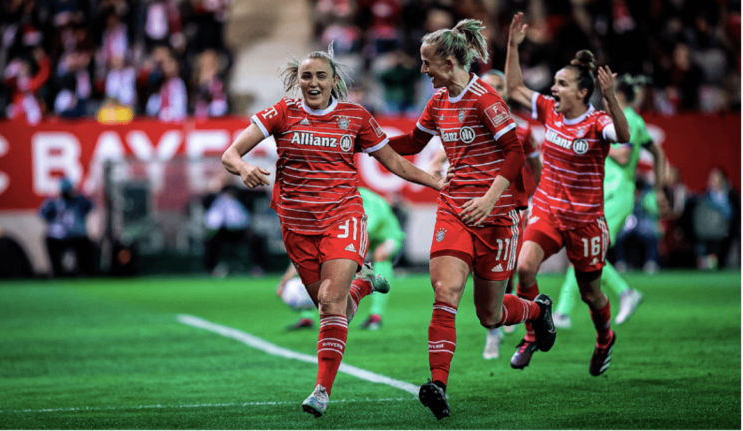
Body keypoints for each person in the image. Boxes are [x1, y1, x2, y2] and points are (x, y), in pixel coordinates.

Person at [221, 43, 444, 418]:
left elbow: (395, 163)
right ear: (297, 80)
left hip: (343, 217)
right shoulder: (281, 113)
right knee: (335, 306)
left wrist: (439, 184)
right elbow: (230, 154)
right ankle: (366, 283)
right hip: (296, 226)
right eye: (306, 76)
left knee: (328, 300)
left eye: (321, 75)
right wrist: (243, 169)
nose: (313, 82)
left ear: (333, 81)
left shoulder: (355, 117)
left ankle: (322, 390)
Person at [387, 19, 556, 420]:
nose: (423, 71)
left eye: (428, 63)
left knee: (490, 315)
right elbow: (413, 142)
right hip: (455, 207)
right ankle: (438, 385)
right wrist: (366, 140)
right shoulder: (439, 100)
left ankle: (536, 311)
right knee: (445, 292)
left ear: (448, 62)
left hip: (497, 215)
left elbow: (514, 153)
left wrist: (490, 197)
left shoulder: (485, 99)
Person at [504, 12, 631, 376]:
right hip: (548, 209)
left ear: (582, 92)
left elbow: (621, 137)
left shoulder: (597, 123)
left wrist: (611, 99)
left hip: (586, 222)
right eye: (554, 83)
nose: (553, 89)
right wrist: (513, 47)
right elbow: (514, 88)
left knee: (591, 295)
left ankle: (605, 338)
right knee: (525, 267)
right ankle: (532, 334)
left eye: (561, 84)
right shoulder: (549, 110)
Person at [427, 69, 542, 361]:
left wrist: (540, 199)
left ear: (505, 92)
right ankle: (494, 333)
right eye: (489, 86)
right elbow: (436, 160)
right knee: (466, 284)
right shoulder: (470, 119)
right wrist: (440, 173)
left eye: (499, 86)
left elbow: (535, 168)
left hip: (508, 212)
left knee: (508, 276)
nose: (494, 91)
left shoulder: (522, 129)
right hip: (471, 210)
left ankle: (525, 324)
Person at [552, 74, 667, 328]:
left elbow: (624, 155)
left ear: (617, 96)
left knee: (588, 254)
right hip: (606, 195)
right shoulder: (628, 120)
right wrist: (658, 188)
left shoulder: (627, 120)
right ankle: (565, 311)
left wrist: (592, 142)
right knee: (585, 253)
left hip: (616, 195)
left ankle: (619, 295)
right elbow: (657, 152)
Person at [277, 187, 406, 331]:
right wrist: (285, 279)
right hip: (356, 239)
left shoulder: (365, 202)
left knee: (380, 254)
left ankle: (376, 316)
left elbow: (360, 236)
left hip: (389, 236)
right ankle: (307, 317)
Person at [38, 177, 95, 277]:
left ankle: (84, 271)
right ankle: (57, 271)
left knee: (87, 245)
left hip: (77, 237)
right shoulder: (53, 202)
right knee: (49, 241)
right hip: (58, 237)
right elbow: (42, 214)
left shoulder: (79, 201)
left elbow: (90, 206)